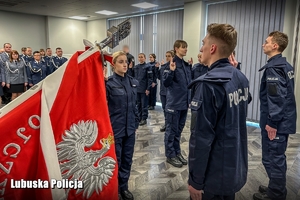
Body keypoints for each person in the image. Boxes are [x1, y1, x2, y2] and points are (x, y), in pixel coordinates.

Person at [188, 23, 250, 200]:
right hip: (233, 168)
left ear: (212, 48)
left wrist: (195, 181)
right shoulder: (240, 77)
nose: (202, 48)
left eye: (204, 43)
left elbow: (201, 138)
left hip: (213, 174)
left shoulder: (208, 85)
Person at [252, 31, 297, 200]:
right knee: (275, 157)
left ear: (275, 46)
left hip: (276, 122)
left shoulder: (275, 68)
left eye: (266, 42)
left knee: (273, 159)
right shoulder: (285, 66)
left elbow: (277, 98)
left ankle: (276, 194)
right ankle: (275, 187)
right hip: (282, 120)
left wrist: (272, 122)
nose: (263, 44)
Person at [106, 51, 139, 200]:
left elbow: (135, 104)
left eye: (126, 61)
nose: (125, 64)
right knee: (116, 160)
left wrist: (136, 121)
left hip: (130, 129)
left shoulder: (132, 81)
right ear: (113, 64)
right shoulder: (109, 83)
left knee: (127, 159)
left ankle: (123, 187)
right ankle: (114, 189)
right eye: (120, 61)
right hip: (115, 129)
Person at [163, 40, 193, 168]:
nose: (185, 49)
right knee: (171, 131)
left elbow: (187, 85)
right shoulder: (170, 64)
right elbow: (166, 83)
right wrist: (171, 71)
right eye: (183, 47)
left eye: (186, 47)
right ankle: (170, 155)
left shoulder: (186, 65)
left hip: (183, 104)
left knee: (178, 131)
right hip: (173, 104)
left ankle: (177, 152)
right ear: (176, 48)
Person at [129, 53, 153, 126]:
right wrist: (130, 68)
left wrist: (148, 89)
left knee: (144, 105)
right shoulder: (136, 67)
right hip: (137, 89)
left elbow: (150, 79)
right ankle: (139, 117)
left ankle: (144, 118)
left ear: (145, 58)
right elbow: (131, 76)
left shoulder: (148, 67)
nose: (140, 58)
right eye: (139, 57)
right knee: (138, 104)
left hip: (144, 89)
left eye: (142, 57)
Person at [158, 50, 174, 132]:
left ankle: (170, 124)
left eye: (169, 56)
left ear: (172, 57)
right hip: (163, 92)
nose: (167, 57)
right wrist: (157, 67)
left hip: (170, 93)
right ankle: (167, 123)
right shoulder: (163, 66)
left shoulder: (173, 66)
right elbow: (159, 77)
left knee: (170, 110)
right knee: (164, 109)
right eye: (166, 56)